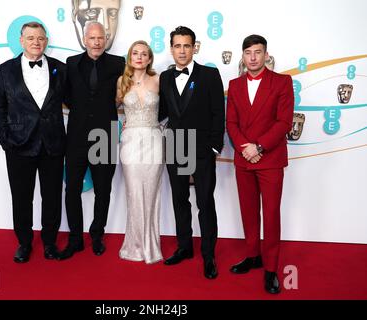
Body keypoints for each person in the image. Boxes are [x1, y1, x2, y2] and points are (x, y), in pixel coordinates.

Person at [0, 22, 67, 263]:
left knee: (52, 196)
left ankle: (49, 243)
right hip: (18, 145)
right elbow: (0, 108)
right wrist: (6, 139)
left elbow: (76, 100)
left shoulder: (60, 68)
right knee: (22, 198)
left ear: (46, 41)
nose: (37, 42)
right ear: (21, 40)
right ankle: (24, 243)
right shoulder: (5, 70)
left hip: (52, 143)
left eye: (41, 38)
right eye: (31, 38)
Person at [226, 34, 294, 294]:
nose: (253, 57)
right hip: (244, 159)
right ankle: (253, 256)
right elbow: (231, 123)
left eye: (258, 52)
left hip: (270, 159)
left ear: (266, 55)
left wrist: (259, 147)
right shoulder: (234, 85)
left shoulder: (282, 82)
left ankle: (271, 269)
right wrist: (246, 148)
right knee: (249, 211)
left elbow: (284, 122)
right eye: (248, 53)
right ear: (242, 56)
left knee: (272, 214)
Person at [158, 26, 225, 279]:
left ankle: (209, 255)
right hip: (175, 147)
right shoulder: (165, 78)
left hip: (201, 149)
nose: (182, 50)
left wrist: (214, 146)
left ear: (194, 47)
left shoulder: (209, 75)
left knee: (205, 202)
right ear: (171, 48)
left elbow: (219, 112)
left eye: (187, 45)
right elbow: (162, 111)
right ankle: (184, 247)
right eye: (178, 45)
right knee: (179, 200)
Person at [59, 22, 125, 260]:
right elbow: (65, 94)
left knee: (103, 190)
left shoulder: (119, 64)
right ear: (84, 40)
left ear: (105, 39)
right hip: (76, 135)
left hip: (105, 135)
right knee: (72, 188)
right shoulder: (71, 63)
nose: (97, 42)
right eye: (92, 38)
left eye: (101, 38)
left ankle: (97, 236)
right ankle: (75, 239)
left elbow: (124, 93)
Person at [116, 40, 163, 264]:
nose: (140, 57)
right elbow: (112, 107)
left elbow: (172, 107)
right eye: (135, 53)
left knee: (151, 192)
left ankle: (150, 245)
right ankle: (135, 245)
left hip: (154, 140)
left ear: (150, 58)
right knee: (134, 193)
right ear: (129, 57)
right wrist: (126, 121)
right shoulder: (121, 82)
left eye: (144, 54)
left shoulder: (158, 79)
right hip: (131, 142)